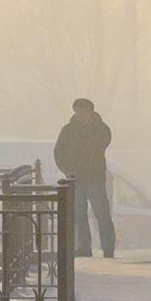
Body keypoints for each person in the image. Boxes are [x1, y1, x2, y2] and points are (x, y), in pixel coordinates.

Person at [53, 97, 116, 258]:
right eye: (78, 110)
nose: (81, 114)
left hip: (95, 177)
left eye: (84, 110)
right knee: (79, 215)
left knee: (102, 214)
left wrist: (90, 129)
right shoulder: (68, 130)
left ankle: (108, 248)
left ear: (91, 111)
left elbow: (103, 142)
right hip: (76, 179)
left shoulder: (101, 128)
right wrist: (67, 170)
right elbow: (58, 152)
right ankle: (83, 247)